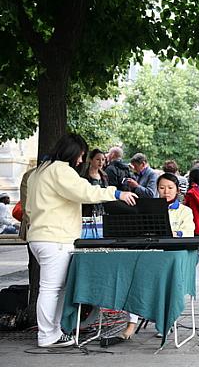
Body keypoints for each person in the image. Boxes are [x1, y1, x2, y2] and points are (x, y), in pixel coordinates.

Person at [25, 134, 137, 348]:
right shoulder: (60, 170)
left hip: (38, 237)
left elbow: (29, 209)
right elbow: (85, 192)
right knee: (51, 289)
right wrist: (116, 193)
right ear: (72, 152)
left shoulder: (38, 172)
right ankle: (48, 335)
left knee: (52, 288)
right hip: (56, 237)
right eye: (81, 156)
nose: (80, 161)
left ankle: (54, 332)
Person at [116, 172, 194, 342]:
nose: (166, 191)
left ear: (177, 190)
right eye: (162, 187)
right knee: (133, 276)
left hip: (171, 256)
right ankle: (131, 323)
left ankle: (166, 320)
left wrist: (174, 233)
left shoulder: (185, 211)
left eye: (170, 188)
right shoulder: (147, 208)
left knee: (167, 279)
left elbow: (188, 232)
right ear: (157, 189)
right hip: (150, 253)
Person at [81, 148, 109, 218]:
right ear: (90, 160)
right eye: (97, 159)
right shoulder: (84, 176)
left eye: (103, 159)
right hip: (88, 211)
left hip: (103, 210)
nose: (101, 162)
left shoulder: (104, 175)